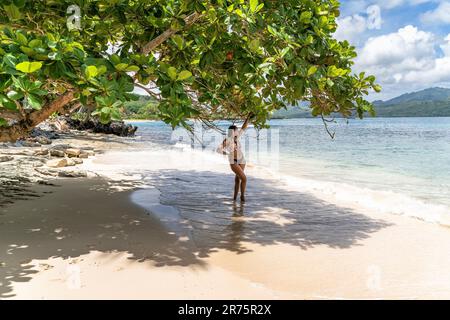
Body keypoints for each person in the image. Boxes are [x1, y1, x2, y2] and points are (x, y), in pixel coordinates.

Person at [217, 115, 253, 202]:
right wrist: (227, 153)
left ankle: (235, 198)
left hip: (242, 160)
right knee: (244, 178)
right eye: (236, 130)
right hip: (233, 161)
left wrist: (248, 118)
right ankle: (242, 197)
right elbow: (218, 149)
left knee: (238, 179)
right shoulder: (227, 140)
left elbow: (244, 127)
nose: (238, 131)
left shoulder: (237, 138)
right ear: (232, 131)